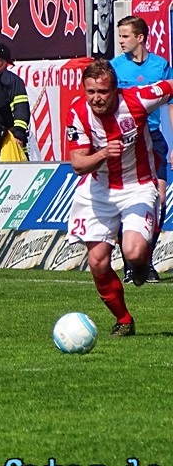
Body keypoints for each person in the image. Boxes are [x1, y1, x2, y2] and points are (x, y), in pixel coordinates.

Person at [66, 60, 173, 337]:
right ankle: (124, 319)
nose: (96, 98)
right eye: (90, 92)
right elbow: (78, 164)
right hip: (99, 190)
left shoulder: (138, 99)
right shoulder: (78, 112)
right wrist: (102, 153)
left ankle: (139, 264)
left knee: (134, 253)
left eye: (102, 91)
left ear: (116, 89)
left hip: (138, 186)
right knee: (98, 262)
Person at [111, 15, 173, 284]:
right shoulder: (114, 67)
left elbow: (170, 105)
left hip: (154, 138)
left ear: (140, 37)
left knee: (158, 200)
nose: (121, 41)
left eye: (125, 36)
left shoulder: (161, 66)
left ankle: (145, 263)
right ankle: (130, 263)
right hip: (128, 140)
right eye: (119, 35)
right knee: (127, 203)